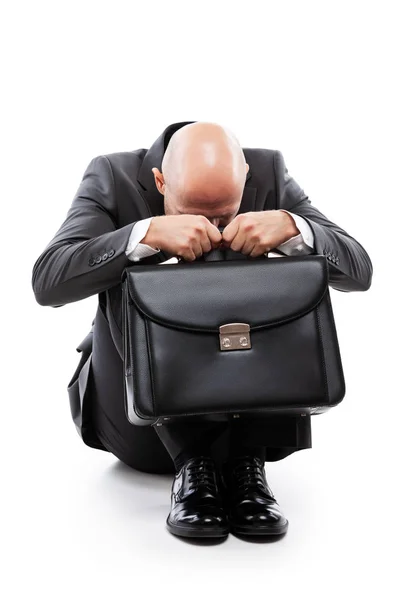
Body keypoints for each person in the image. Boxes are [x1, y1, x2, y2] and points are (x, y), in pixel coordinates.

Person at [32, 120, 373, 539]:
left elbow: (359, 270)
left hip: (255, 420)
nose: (210, 230)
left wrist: (294, 229)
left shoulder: (269, 171)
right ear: (159, 181)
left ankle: (248, 464)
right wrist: (144, 235)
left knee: (291, 266)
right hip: (141, 424)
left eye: (223, 215)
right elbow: (48, 282)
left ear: (245, 176)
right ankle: (192, 463)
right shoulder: (112, 174)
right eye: (192, 213)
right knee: (134, 274)